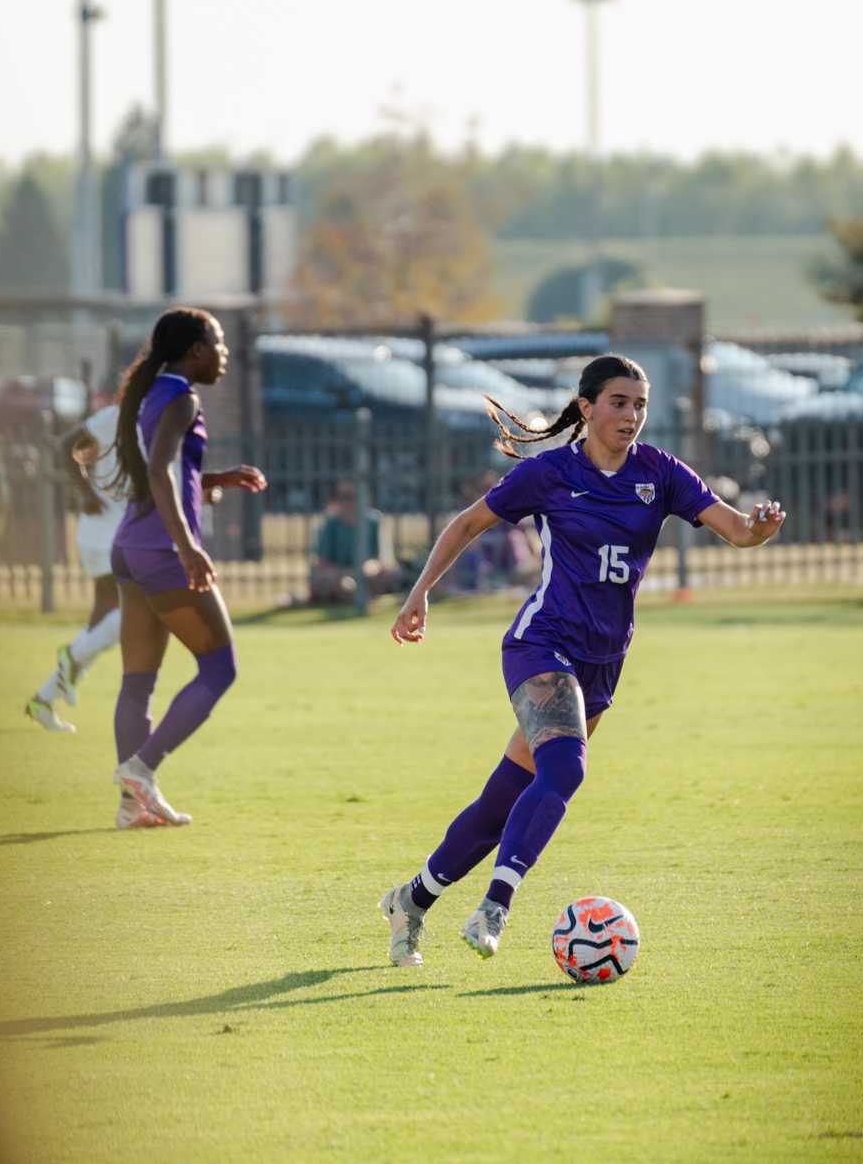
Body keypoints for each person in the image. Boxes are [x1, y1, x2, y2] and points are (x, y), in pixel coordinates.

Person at [380, 354, 787, 964]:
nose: (631, 416)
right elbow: (468, 524)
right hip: (542, 644)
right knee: (566, 769)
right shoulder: (550, 474)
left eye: (640, 405)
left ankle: (410, 900)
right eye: (619, 403)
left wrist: (761, 527)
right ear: (587, 406)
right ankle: (496, 905)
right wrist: (419, 594)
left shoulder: (660, 472)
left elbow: (736, 531)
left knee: (501, 805)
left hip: (604, 660)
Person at [105, 308, 268, 829]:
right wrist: (187, 549)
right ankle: (141, 768)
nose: (225, 354)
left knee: (138, 680)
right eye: (219, 343)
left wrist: (215, 478)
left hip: (130, 544)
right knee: (220, 668)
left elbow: (168, 470)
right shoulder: (180, 397)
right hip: (160, 551)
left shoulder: (152, 393)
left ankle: (134, 806)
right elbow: (157, 472)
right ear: (197, 349)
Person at [22, 402, 125, 734]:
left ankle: (44, 699)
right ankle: (72, 654)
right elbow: (66, 444)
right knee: (132, 613)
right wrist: (84, 493)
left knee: (103, 621)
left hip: (114, 531)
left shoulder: (156, 417)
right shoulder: (115, 416)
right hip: (103, 530)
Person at [308, 479, 402, 604]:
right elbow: (322, 563)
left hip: (369, 574)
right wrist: (350, 572)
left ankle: (362, 595)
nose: (347, 502)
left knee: (394, 574)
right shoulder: (330, 523)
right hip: (339, 576)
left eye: (352, 497)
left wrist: (368, 568)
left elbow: (383, 560)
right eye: (342, 497)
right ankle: (361, 597)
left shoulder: (374, 521)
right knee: (335, 581)